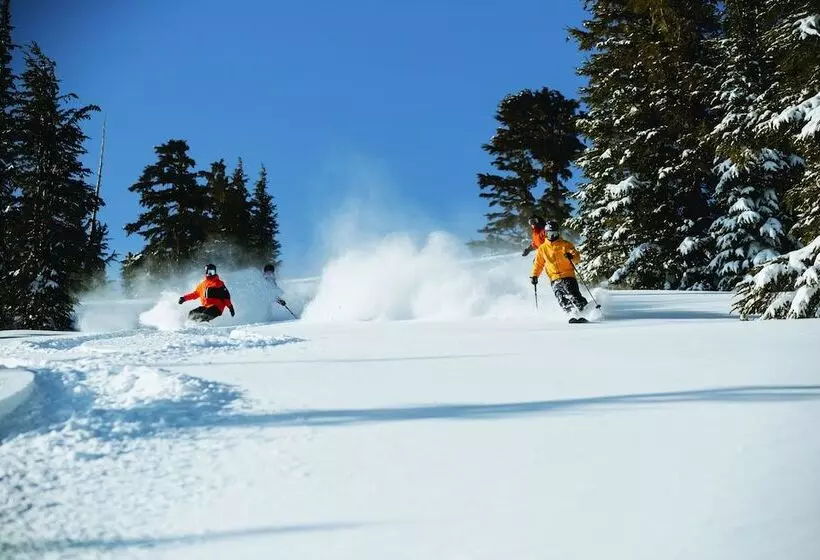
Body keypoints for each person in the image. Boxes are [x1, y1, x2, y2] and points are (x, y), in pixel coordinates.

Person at [529, 221, 588, 314]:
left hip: (568, 275)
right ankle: (571, 314)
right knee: (561, 298)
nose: (552, 236)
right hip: (554, 278)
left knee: (573, 294)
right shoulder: (543, 248)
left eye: (554, 233)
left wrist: (571, 256)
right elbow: (538, 264)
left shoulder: (565, 244)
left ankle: (586, 311)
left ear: (558, 233)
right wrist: (534, 275)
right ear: (545, 233)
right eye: (549, 234)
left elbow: (577, 258)